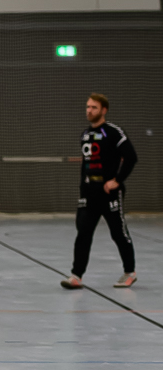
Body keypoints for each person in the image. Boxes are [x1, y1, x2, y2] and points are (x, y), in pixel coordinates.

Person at [61, 93, 138, 289]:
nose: (89, 111)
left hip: (109, 194)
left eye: (94, 107)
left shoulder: (113, 132)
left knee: (118, 233)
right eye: (87, 107)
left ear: (104, 110)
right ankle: (76, 276)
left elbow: (131, 157)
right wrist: (82, 190)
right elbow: (86, 165)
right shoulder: (85, 135)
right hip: (89, 193)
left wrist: (117, 181)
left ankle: (129, 272)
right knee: (83, 233)